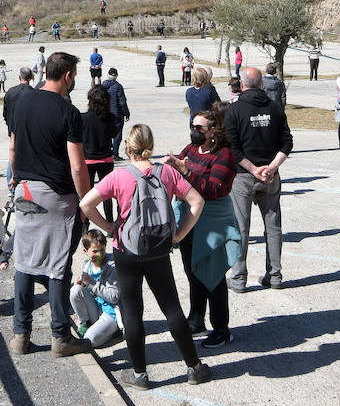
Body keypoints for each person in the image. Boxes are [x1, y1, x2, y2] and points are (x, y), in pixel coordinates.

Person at [81, 124, 210, 389]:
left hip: (126, 249)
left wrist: (108, 227)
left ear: (127, 148)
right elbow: (197, 201)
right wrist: (180, 233)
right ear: (151, 145)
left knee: (131, 310)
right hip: (159, 248)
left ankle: (140, 374)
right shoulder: (168, 173)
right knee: (171, 307)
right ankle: (194, 367)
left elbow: (85, 204)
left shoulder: (119, 176)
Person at [7, 51, 91, 357]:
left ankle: (20, 335)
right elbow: (78, 166)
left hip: (24, 190)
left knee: (24, 262)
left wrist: (17, 182)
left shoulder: (22, 102)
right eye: (74, 77)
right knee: (58, 266)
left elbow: (13, 148)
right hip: (57, 196)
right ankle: (60, 336)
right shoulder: (68, 111)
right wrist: (86, 201)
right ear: (67, 75)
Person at [164, 105, 240, 348]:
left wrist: (185, 171)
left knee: (214, 274)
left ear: (214, 130)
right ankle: (196, 319)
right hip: (190, 219)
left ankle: (221, 328)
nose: (194, 131)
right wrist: (172, 166)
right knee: (192, 269)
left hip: (213, 223)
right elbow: (181, 171)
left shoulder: (224, 155)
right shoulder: (192, 149)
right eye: (192, 126)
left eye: (199, 128)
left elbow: (213, 189)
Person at [225, 67, 292, 291]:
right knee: (273, 227)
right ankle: (275, 275)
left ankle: (239, 278)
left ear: (242, 85)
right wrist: (271, 167)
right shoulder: (275, 108)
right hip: (269, 175)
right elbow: (287, 142)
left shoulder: (234, 110)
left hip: (244, 175)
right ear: (261, 84)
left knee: (241, 228)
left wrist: (255, 169)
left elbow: (232, 148)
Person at [70, 230, 123, 348]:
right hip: (95, 307)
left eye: (102, 250)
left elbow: (114, 297)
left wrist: (92, 283)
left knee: (90, 340)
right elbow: (86, 288)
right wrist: (81, 284)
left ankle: (114, 332)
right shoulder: (86, 264)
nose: (99, 254)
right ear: (85, 251)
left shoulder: (111, 267)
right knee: (75, 290)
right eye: (95, 251)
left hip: (110, 312)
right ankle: (85, 322)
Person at [83, 84, 119, 224]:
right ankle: (109, 222)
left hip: (88, 160)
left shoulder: (83, 118)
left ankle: (85, 224)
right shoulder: (110, 118)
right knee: (107, 194)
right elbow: (114, 133)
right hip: (106, 160)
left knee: (87, 195)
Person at [104, 67, 131, 160]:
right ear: (116, 76)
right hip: (117, 114)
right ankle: (115, 153)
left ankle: (107, 152)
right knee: (117, 134)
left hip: (105, 113)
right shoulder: (118, 86)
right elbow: (122, 102)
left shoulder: (103, 85)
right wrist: (126, 113)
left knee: (106, 133)